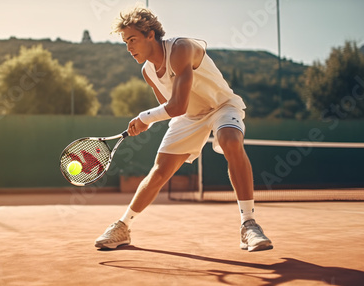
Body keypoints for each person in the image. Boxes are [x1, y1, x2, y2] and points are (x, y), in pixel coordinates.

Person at [95, 6, 273, 252]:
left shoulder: (180, 48)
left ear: (151, 34)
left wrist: (145, 117)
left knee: (231, 141)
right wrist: (149, 120)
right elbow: (168, 106)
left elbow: (177, 105)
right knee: (159, 172)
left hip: (221, 106)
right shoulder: (147, 71)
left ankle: (249, 225)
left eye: (133, 39)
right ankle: (123, 226)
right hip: (189, 117)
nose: (129, 48)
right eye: (125, 42)